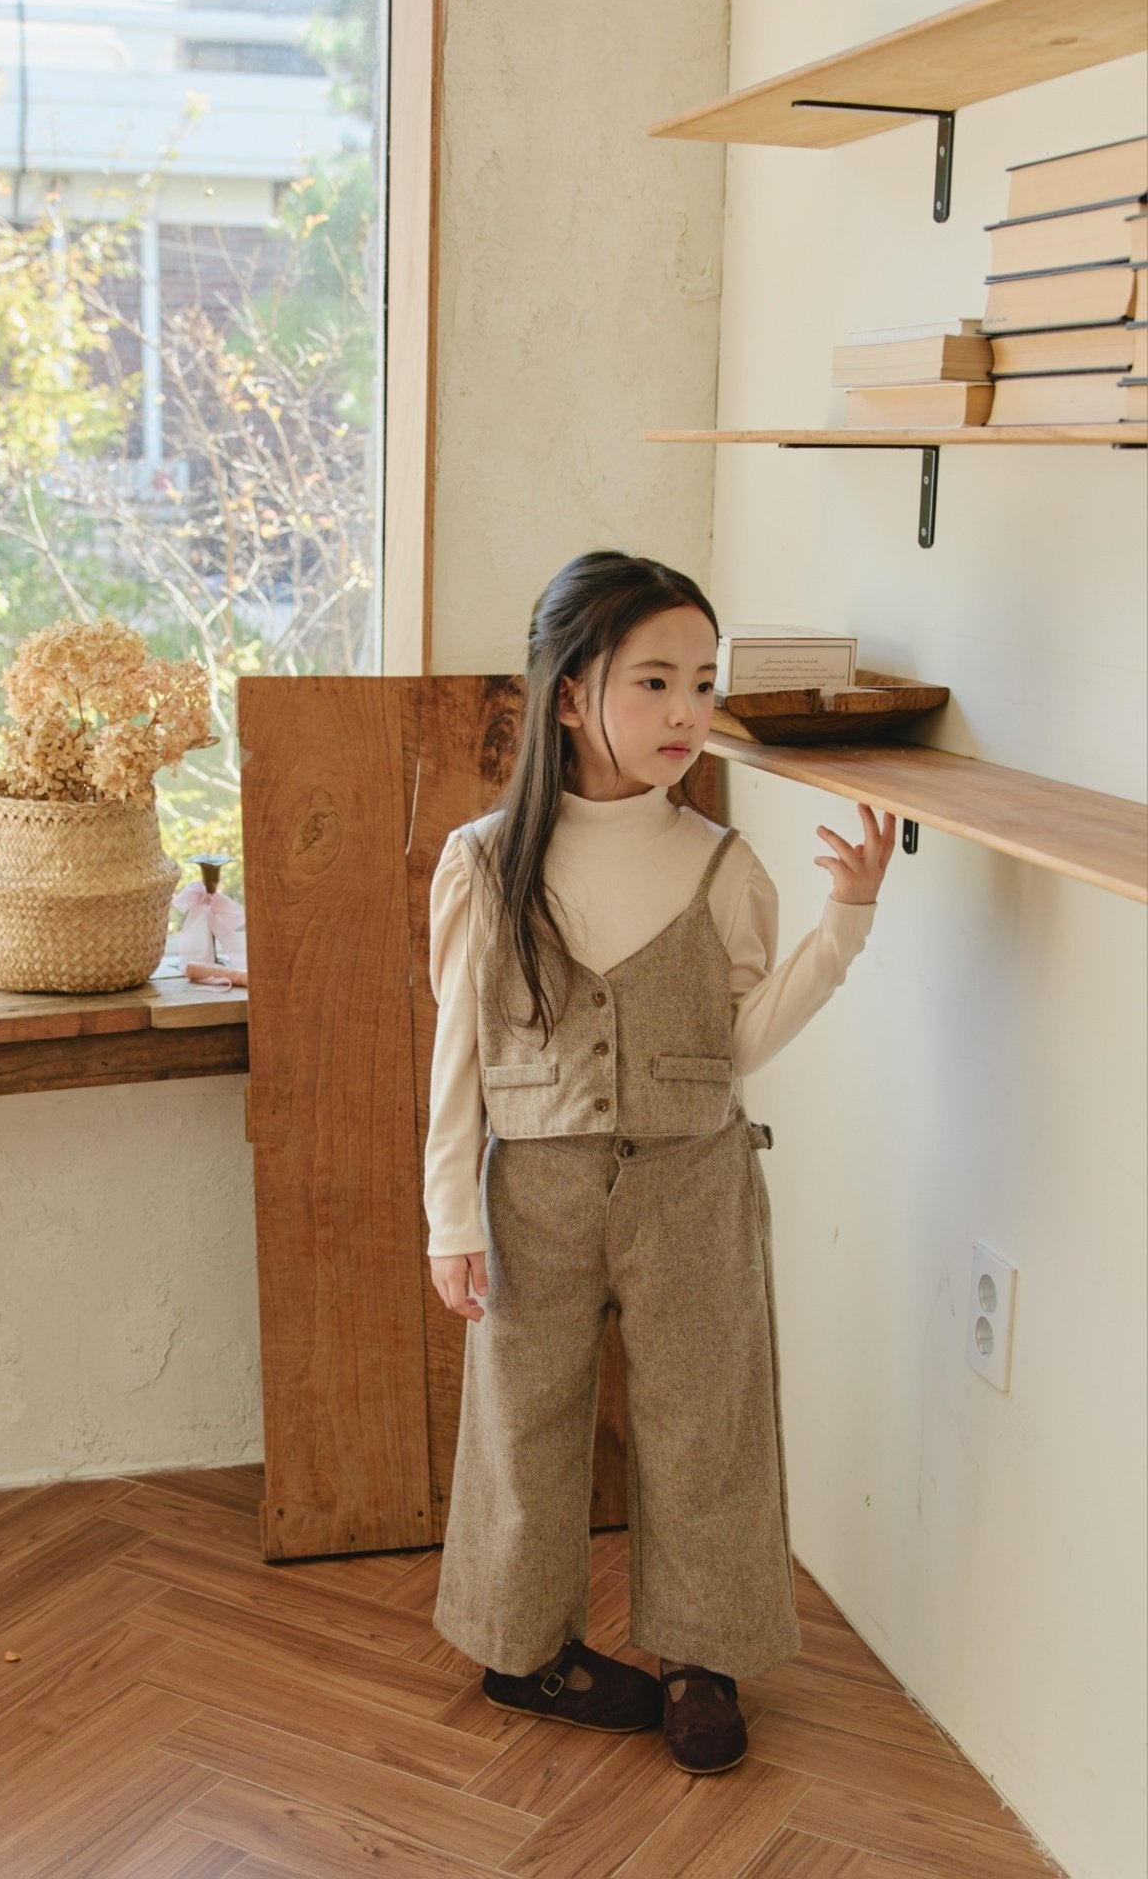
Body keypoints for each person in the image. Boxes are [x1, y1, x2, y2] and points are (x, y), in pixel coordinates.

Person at [423, 549, 895, 1775]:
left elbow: (736, 1041)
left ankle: (703, 1656)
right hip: (531, 1187)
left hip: (694, 1179)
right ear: (570, 694)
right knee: (524, 1418)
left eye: (701, 681)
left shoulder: (719, 865)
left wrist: (842, 926)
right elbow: (454, 1060)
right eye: (653, 682)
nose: (687, 712)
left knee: (705, 1423)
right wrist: (448, 1220)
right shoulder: (483, 862)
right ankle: (522, 1648)